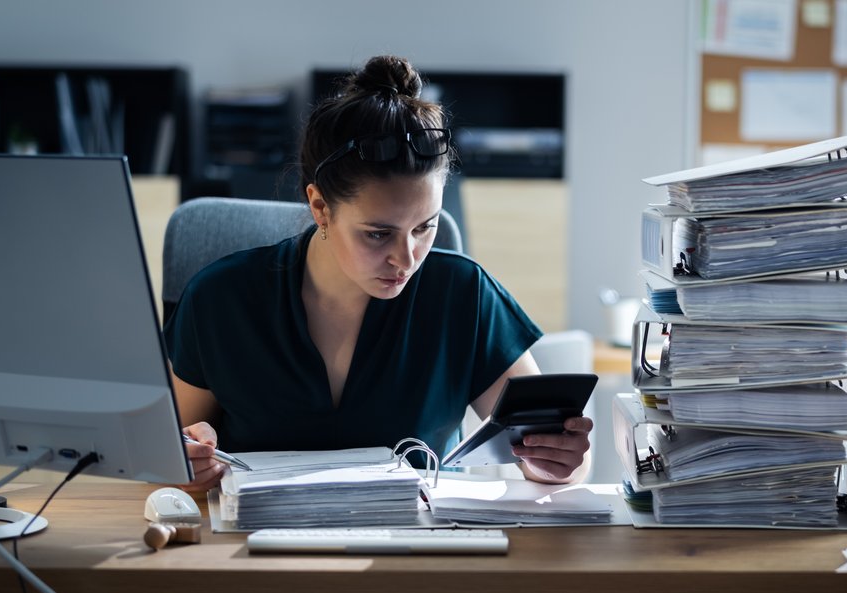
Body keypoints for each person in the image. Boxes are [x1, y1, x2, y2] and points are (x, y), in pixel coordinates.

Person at [164, 55, 593, 492]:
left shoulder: (463, 294)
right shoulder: (221, 299)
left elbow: (557, 456)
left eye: (425, 227)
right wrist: (188, 464)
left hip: (417, 550)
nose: (406, 258)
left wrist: (558, 462)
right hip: (260, 549)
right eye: (378, 234)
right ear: (320, 207)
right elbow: (170, 456)